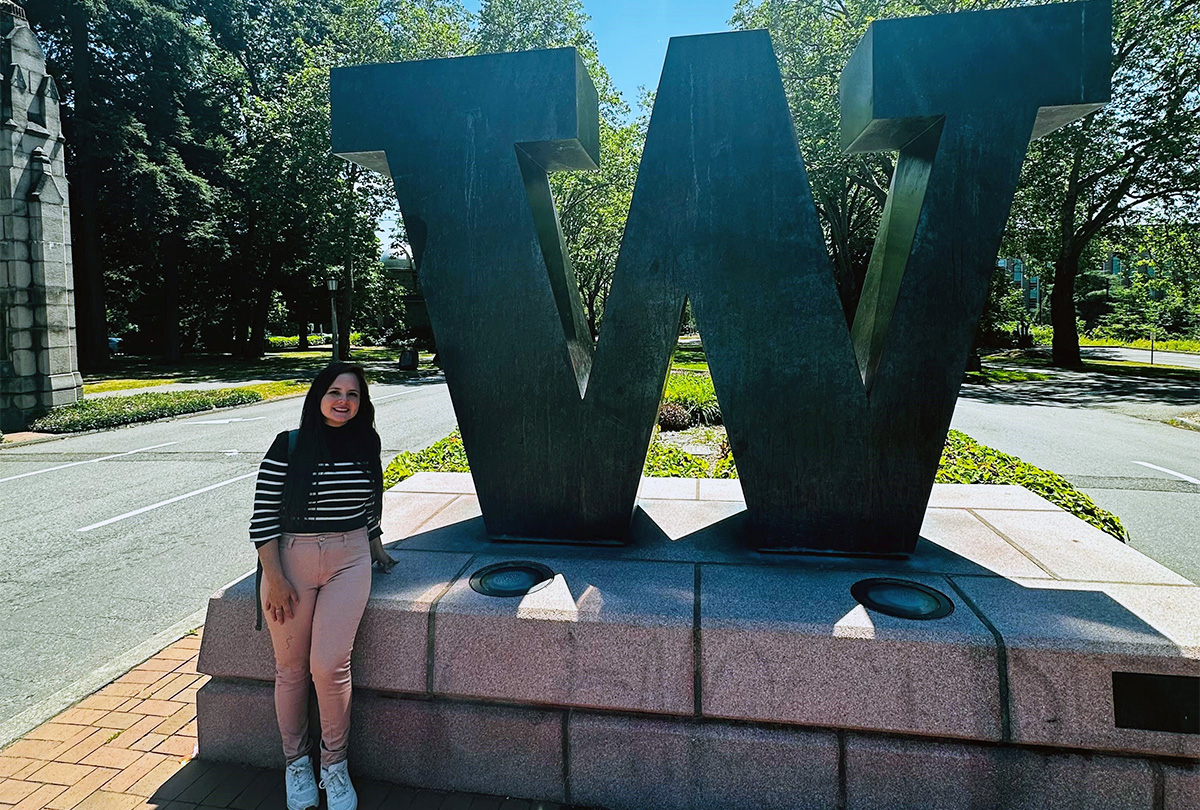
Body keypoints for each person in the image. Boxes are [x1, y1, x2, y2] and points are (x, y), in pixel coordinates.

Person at [249, 362, 396, 810]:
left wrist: (375, 545)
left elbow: (370, 500)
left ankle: (334, 766)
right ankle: (297, 763)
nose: (343, 402)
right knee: (290, 669)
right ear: (317, 397)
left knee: (329, 666)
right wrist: (273, 578)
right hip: (291, 561)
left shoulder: (366, 442)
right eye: (334, 392)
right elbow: (263, 518)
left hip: (349, 559)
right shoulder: (289, 445)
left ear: (361, 403)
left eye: (352, 395)